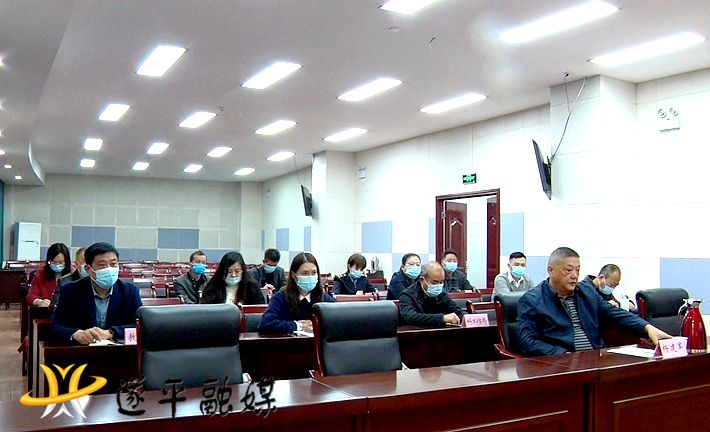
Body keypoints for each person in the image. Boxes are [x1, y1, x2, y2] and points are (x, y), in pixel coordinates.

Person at [517, 247, 671, 356]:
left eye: (577, 270)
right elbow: (527, 341)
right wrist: (563, 355)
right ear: (551, 270)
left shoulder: (586, 292)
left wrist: (647, 328)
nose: (574, 275)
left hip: (595, 359)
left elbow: (614, 313)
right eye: (568, 270)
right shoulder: (532, 300)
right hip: (560, 366)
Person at [50, 242, 142, 344]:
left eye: (113, 264)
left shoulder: (130, 292)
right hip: (82, 350)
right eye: (102, 265)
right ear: (88, 269)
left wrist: (111, 332)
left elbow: (139, 326)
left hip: (118, 350)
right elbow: (55, 328)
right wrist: (76, 334)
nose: (109, 269)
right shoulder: (70, 291)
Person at [258, 252, 335, 333]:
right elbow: (265, 324)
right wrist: (297, 325)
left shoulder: (325, 299)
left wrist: (317, 325)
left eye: (314, 273)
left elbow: (338, 321)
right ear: (294, 275)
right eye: (304, 273)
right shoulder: (281, 298)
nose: (310, 277)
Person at [399, 262, 465, 327]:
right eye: (434, 283)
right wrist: (442, 318)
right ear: (422, 280)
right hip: (415, 331)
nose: (438, 286)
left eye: (441, 282)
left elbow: (455, 309)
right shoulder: (407, 295)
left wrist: (466, 317)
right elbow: (411, 317)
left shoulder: (441, 293)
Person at [27, 243, 71, 307]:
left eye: (60, 262)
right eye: (53, 262)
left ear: (66, 262)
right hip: (46, 311)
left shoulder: (73, 274)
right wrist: (39, 302)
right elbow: (30, 297)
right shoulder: (40, 274)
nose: (57, 265)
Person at [52, 247, 88, 311]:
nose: (89, 267)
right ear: (76, 264)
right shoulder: (64, 282)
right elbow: (55, 308)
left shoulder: (100, 281)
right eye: (86, 263)